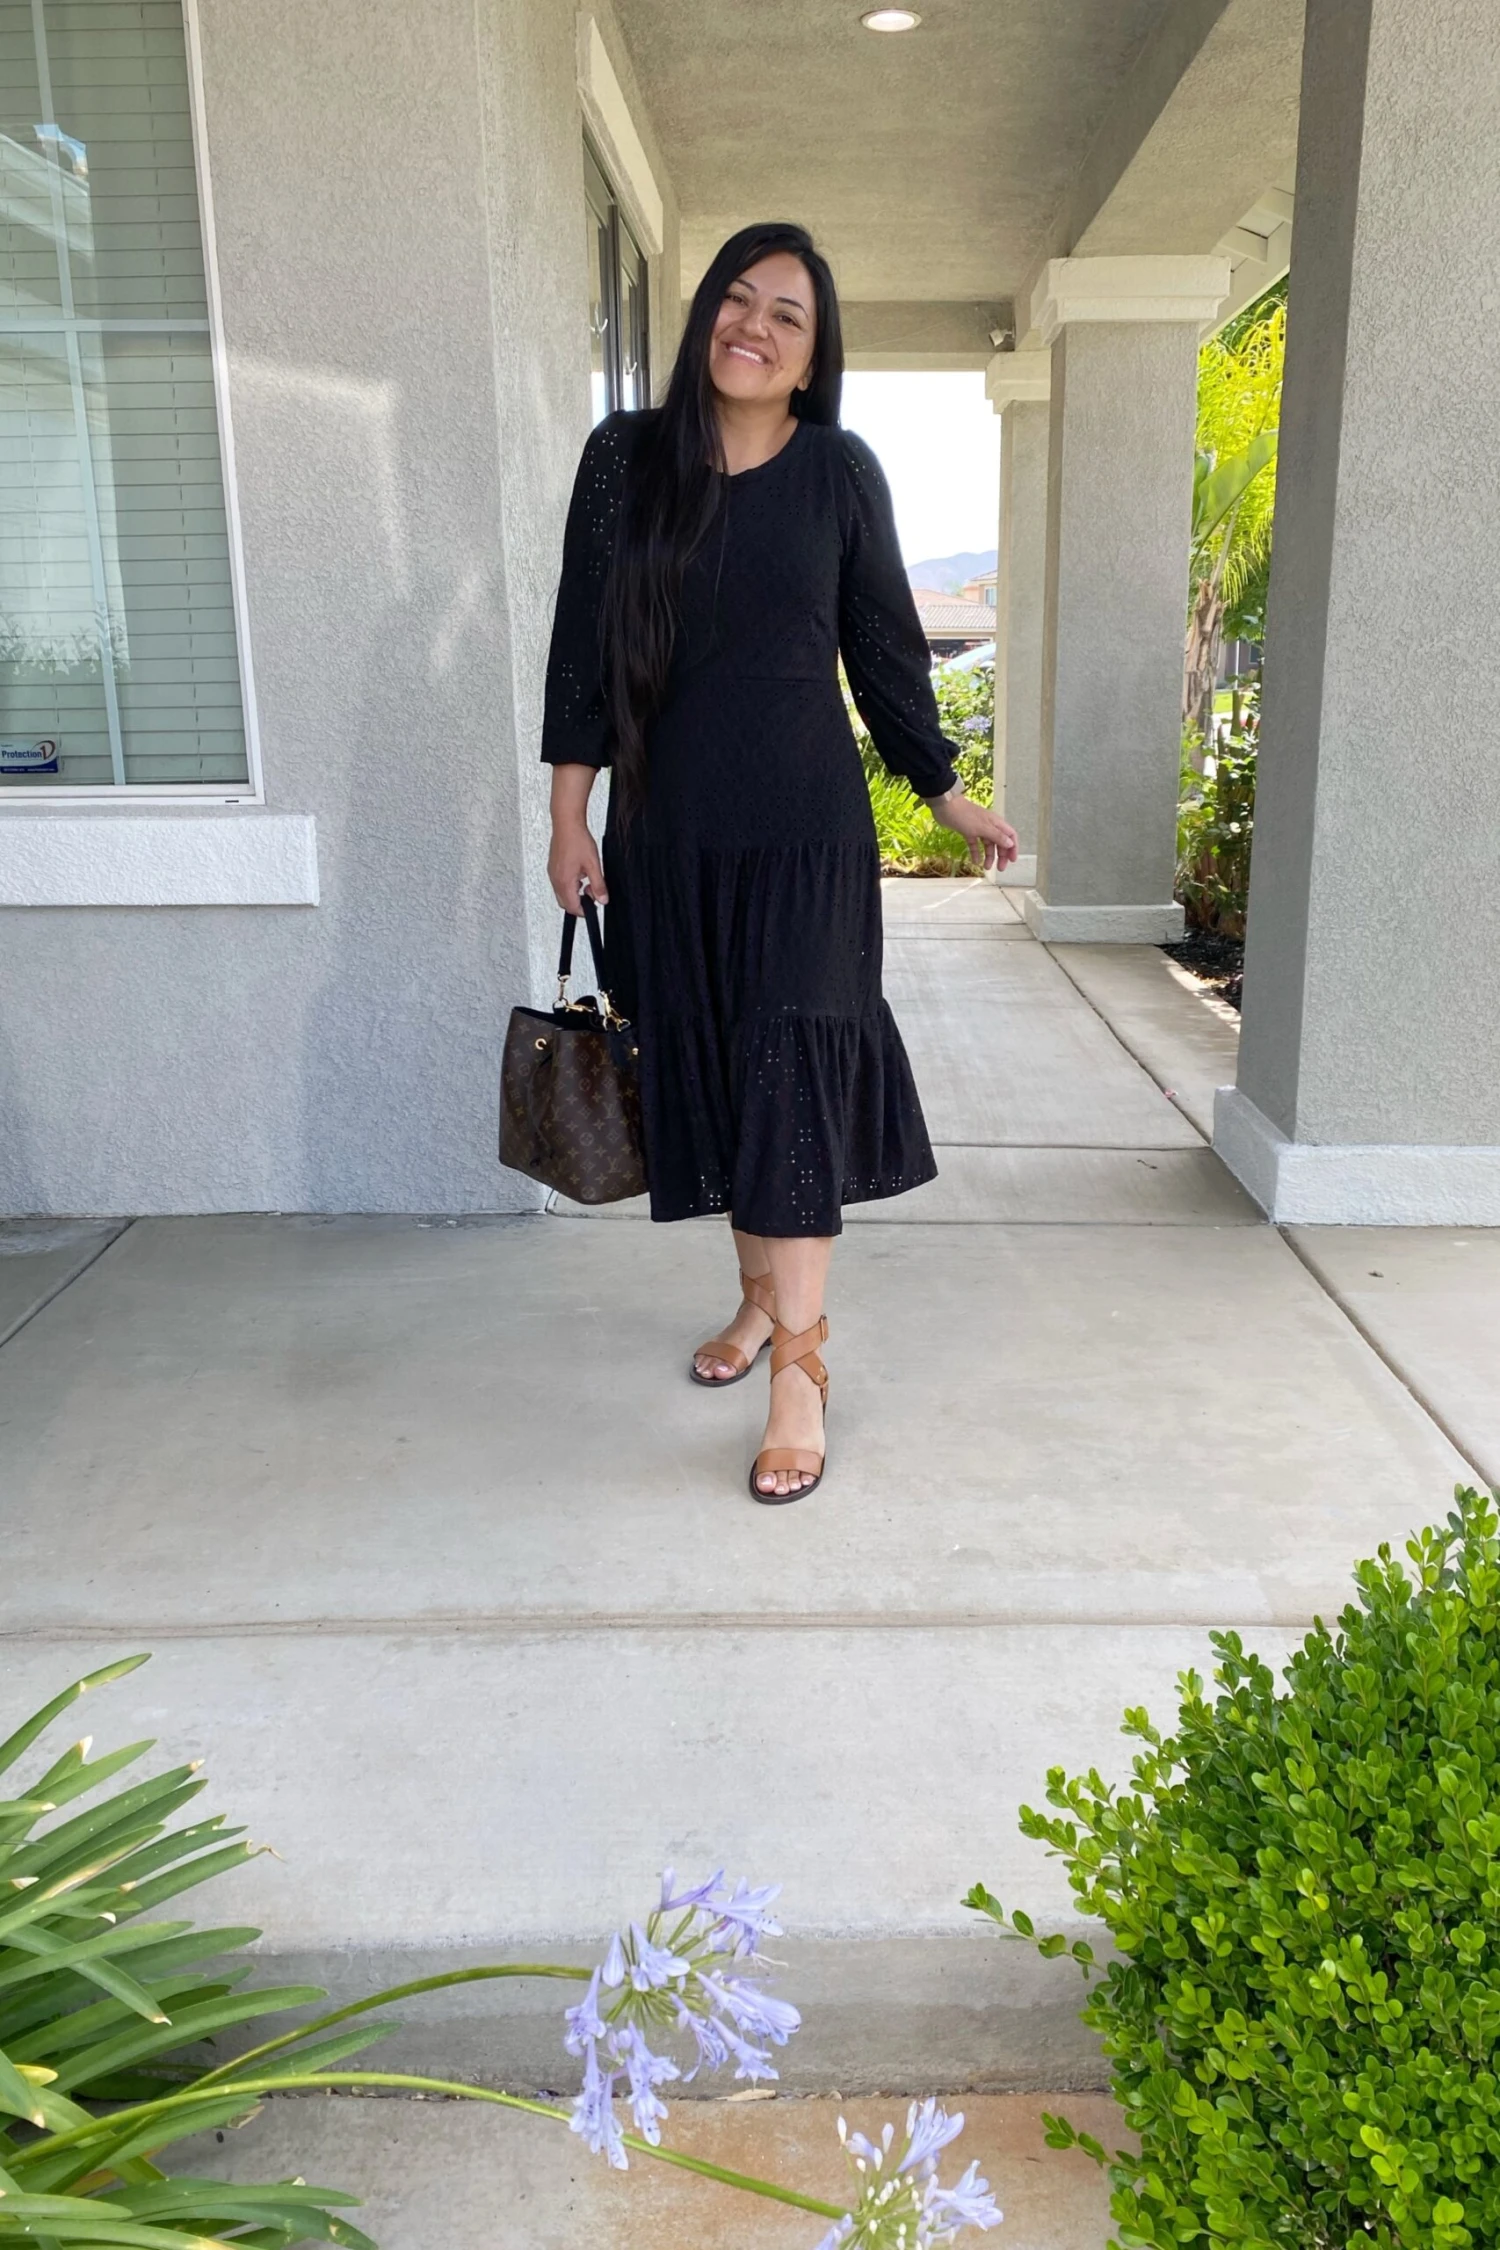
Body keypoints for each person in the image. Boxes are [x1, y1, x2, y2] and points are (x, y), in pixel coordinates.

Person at [541, 220, 1017, 1503]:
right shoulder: (625, 460)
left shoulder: (838, 472)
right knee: (717, 1066)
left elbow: (886, 649)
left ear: (812, 357)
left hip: (808, 835)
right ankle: (758, 1300)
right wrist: (568, 816)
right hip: (667, 835)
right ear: (704, 314)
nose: (754, 326)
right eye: (738, 300)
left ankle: (799, 1370)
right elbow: (584, 648)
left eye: (787, 315)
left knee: (792, 1070)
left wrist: (945, 792)